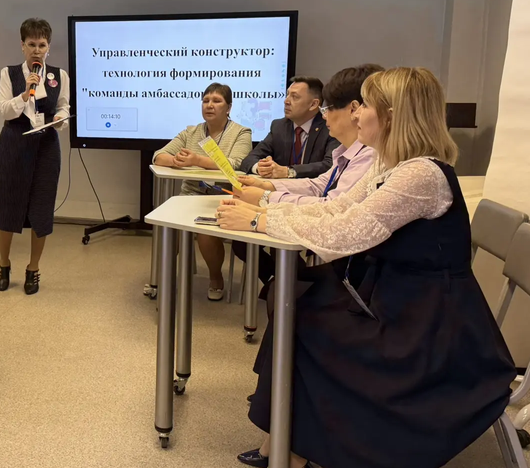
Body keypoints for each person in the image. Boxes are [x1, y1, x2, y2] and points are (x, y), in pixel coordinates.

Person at [215, 67, 515, 468]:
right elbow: (334, 211)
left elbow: (347, 233)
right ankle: (284, 438)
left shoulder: (421, 175)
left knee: (305, 318)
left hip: (431, 328)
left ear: (391, 116)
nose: (357, 115)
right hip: (399, 303)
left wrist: (259, 219)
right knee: (295, 298)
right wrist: (264, 213)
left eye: (367, 106)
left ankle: (291, 454)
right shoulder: (393, 167)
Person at [231, 65, 383, 291]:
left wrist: (265, 201)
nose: (324, 114)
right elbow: (320, 184)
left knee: (286, 287)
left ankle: (283, 287)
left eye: (327, 108)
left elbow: (333, 208)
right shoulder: (282, 127)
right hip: (341, 252)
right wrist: (266, 184)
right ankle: (281, 285)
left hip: (352, 267)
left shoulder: (371, 154)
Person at [153, 83, 252, 300]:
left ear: (229, 107)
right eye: (206, 101)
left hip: (224, 197)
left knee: (205, 233)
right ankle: (163, 278)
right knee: (168, 225)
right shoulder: (191, 132)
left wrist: (197, 160)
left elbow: (237, 163)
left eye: (216, 101)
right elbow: (159, 156)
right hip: (191, 195)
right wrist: (176, 161)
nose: (209, 105)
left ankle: (216, 277)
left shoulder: (241, 132)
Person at [0, 18, 69, 295]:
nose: (37, 50)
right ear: (22, 46)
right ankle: (4, 263)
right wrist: (25, 94)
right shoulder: (9, 73)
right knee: (7, 203)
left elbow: (63, 107)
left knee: (41, 205)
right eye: (32, 44)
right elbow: (4, 109)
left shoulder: (59, 75)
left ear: (48, 47)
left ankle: (33, 268)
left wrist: (60, 119)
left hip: (46, 145)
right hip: (14, 142)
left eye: (42, 45)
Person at [240, 76, 338, 179]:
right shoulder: (279, 126)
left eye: (294, 97)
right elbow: (249, 159)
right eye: (287, 95)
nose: (286, 101)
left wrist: (289, 171)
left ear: (313, 104)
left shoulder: (329, 127)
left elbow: (331, 165)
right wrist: (260, 168)